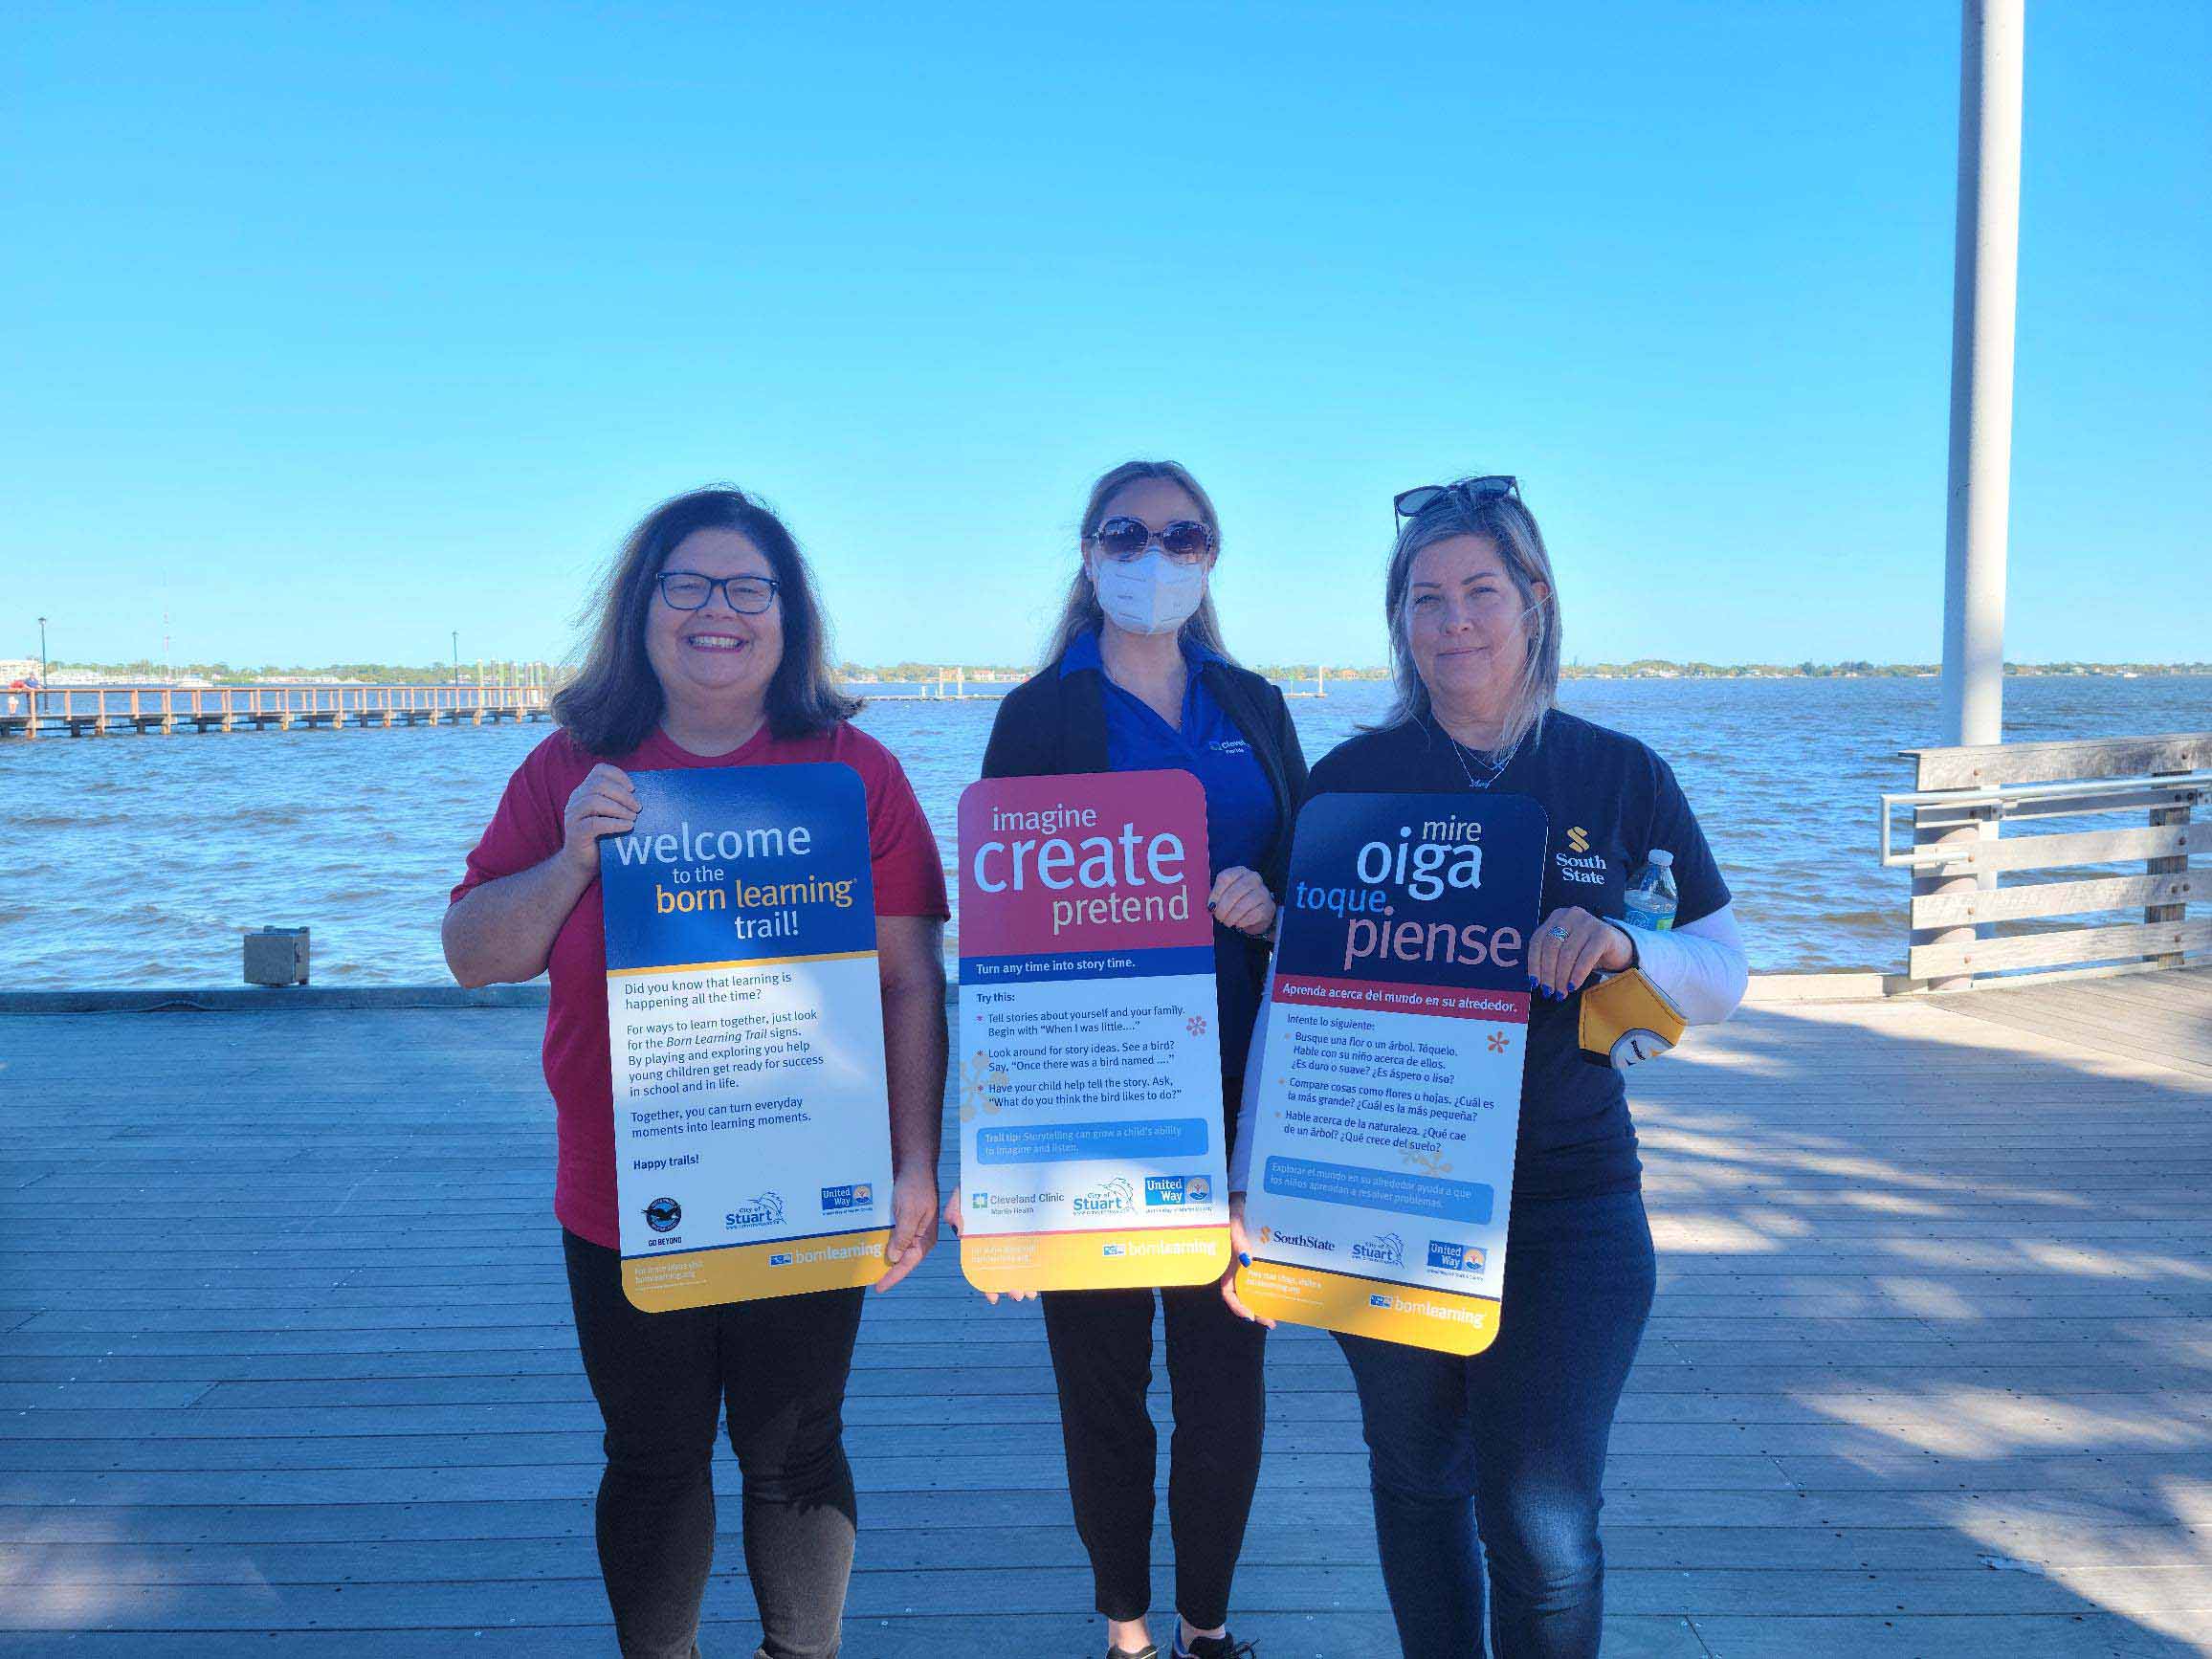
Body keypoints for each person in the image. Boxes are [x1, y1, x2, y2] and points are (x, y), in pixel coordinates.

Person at [1228, 476, 1747, 1658]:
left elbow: (1722, 971)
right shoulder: (1350, 781)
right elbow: (1296, 1008)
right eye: (1424, 598)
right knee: (1416, 1480)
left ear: (1534, 600)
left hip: (1569, 1196)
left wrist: (1628, 943)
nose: (1452, 620)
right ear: (1398, 621)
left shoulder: (1617, 773)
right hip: (1379, 1190)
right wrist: (1260, 1190)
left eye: (1478, 590)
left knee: (1542, 1521)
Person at [441, 486, 949, 1659]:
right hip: (626, 1187)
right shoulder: (571, 765)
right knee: (653, 1453)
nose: (718, 611)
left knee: (796, 1451)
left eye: (748, 589)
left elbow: (911, 979)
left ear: (787, 616)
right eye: (688, 584)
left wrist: (917, 1162)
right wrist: (573, 853)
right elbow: (474, 955)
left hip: (809, 1163)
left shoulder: (852, 769)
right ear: (642, 608)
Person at [946, 460, 1307, 1659]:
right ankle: (1126, 1630)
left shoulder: (1252, 703)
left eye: (1181, 533)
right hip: (1092, 1094)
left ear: (1212, 554)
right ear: (1089, 551)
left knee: (1223, 1381)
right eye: (1127, 532)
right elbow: (999, 943)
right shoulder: (1038, 714)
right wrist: (990, 1169)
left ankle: (1206, 1627)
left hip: (1240, 1087)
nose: (1154, 552)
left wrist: (1274, 901)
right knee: (1100, 1384)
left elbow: (1321, 887)